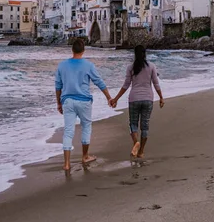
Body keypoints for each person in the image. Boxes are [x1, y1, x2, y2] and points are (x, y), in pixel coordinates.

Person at [55, 38, 112, 174]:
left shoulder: (62, 66)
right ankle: (85, 156)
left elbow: (58, 86)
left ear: (72, 49)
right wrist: (109, 97)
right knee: (86, 126)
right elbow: (99, 82)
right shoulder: (88, 65)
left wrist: (58, 102)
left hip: (67, 101)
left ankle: (67, 163)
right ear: (83, 50)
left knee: (68, 131)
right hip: (84, 101)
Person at [111, 45, 164, 163]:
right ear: (145, 54)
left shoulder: (131, 67)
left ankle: (136, 143)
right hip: (148, 99)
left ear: (134, 54)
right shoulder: (151, 66)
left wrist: (116, 98)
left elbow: (126, 85)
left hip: (134, 99)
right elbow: (156, 84)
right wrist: (161, 97)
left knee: (133, 124)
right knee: (145, 125)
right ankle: (141, 152)